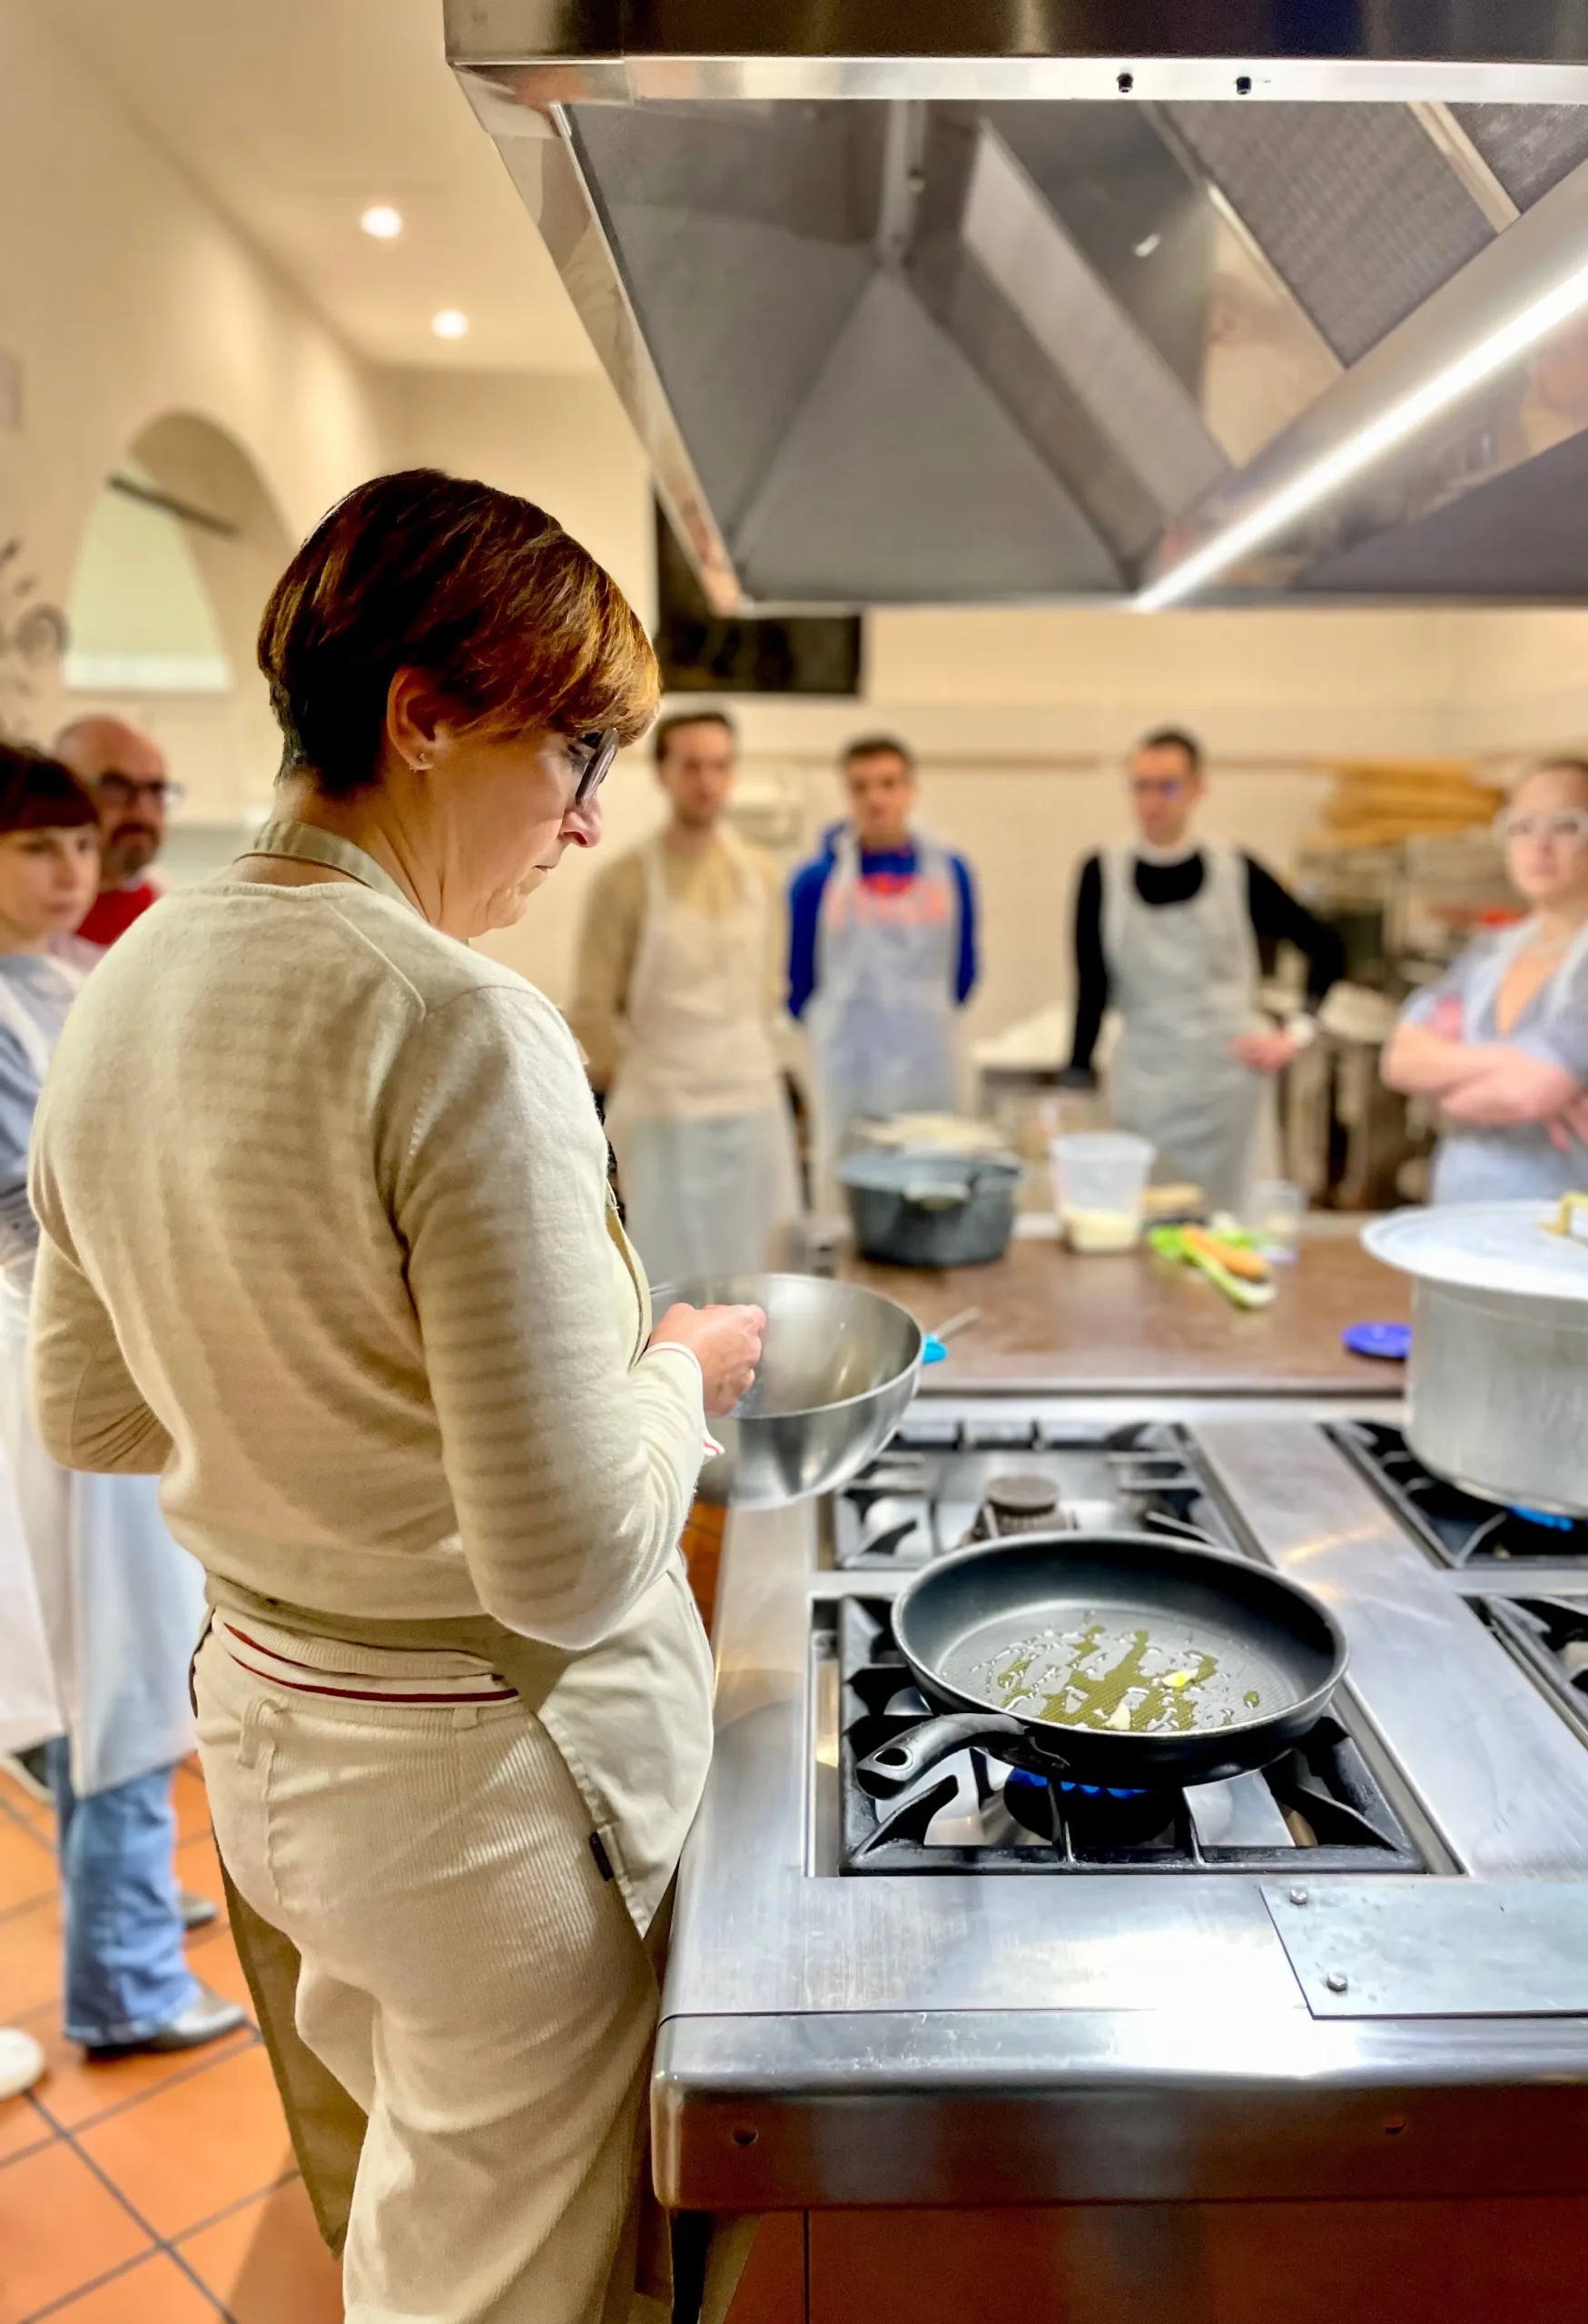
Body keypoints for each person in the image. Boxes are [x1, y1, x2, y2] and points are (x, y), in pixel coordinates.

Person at [28, 468, 764, 2324]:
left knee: (423, 2201)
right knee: (510, 2271)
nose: (588, 819)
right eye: (576, 750)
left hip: (276, 1743)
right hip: (476, 1787)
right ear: (425, 714)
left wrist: (317, 1411)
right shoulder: (450, 1014)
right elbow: (576, 1554)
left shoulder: (117, 979)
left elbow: (98, 1414)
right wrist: (678, 1364)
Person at [0, 745, 231, 2058]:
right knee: (119, 1672)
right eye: (39, 847)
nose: (71, 871)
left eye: (78, 846)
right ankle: (124, 1983)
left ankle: (132, 1913)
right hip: (53, 1357)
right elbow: (43, 1219)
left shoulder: (72, 974)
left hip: (112, 1332)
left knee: (133, 1669)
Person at [1066, 727, 1345, 1211]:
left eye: (1168, 786)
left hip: (1228, 1088)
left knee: (1230, 1224)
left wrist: (1297, 1033)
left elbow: (1327, 946)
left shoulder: (1238, 871)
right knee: (1146, 1219)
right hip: (1145, 1083)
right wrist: (1075, 1081)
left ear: (1198, 788)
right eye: (1141, 786)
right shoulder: (1101, 873)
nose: (1153, 802)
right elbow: (1090, 987)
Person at [570, 707, 800, 1286]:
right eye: (692, 766)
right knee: (667, 1284)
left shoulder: (763, 876)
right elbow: (593, 1011)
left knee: (759, 1281)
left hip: (752, 1110)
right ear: (662, 773)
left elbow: (769, 991)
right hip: (663, 1119)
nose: (707, 781)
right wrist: (650, 1080)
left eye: (720, 766)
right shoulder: (623, 881)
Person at [1383, 757, 1588, 1204]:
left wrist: (1447, 1089)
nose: (1540, 845)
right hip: (1455, 1207)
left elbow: (1533, 1093)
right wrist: (1537, 1070)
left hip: (1557, 1220)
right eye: (1522, 826)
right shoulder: (1489, 951)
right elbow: (1400, 1058)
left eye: (1566, 826)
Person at [788, 734, 978, 1198]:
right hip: (849, 1073)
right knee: (851, 1190)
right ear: (846, 793)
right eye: (862, 786)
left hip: (930, 1068)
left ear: (911, 789)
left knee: (934, 1186)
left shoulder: (951, 873)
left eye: (888, 783)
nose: (876, 798)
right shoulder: (817, 882)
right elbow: (798, 986)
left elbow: (964, 975)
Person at [53, 715, 178, 948]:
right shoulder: (21, 927)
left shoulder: (177, 916)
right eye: (115, 787)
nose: (141, 811)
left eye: (155, 789)